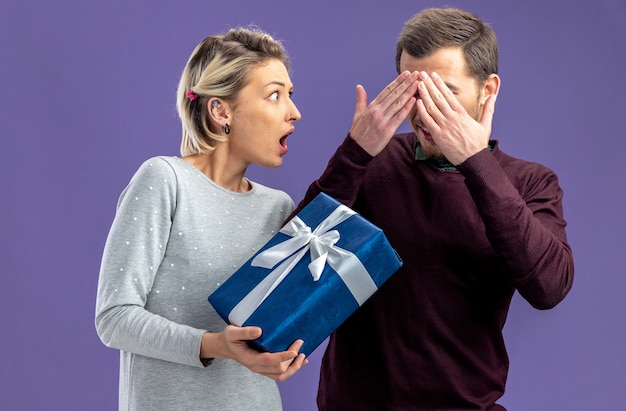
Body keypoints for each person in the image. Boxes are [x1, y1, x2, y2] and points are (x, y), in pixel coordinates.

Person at [292, 7, 574, 410]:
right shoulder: (372, 160)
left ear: (487, 90)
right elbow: (285, 267)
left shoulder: (530, 182)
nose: (424, 111)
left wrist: (476, 162)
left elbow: (550, 287)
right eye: (414, 91)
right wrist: (353, 155)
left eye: (445, 92)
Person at [95, 27, 307, 411]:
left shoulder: (278, 207)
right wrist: (214, 344)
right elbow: (114, 317)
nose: (294, 112)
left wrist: (285, 351)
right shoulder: (165, 180)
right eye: (275, 95)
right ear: (221, 110)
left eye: (290, 95)